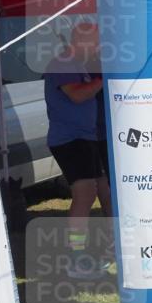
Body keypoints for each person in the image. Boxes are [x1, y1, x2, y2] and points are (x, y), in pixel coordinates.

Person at [43, 22, 112, 279]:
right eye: (95, 41)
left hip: (87, 138)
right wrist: (103, 79)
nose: (98, 46)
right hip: (70, 140)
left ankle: (110, 246)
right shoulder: (62, 64)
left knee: (101, 190)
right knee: (84, 194)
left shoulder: (79, 64)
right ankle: (75, 258)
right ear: (81, 41)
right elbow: (77, 95)